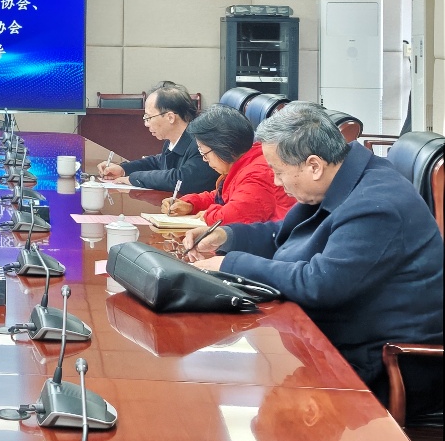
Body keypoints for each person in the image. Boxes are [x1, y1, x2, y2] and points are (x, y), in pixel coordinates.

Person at [183, 102, 444, 409]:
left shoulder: (376, 204)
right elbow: (284, 235)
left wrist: (230, 264)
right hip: (332, 342)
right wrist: (227, 237)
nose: (276, 182)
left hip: (382, 366)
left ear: (314, 166)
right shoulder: (339, 179)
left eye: (279, 172)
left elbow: (320, 284)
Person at [160, 105, 294, 225]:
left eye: (204, 152)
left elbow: (233, 217)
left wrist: (208, 214)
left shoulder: (258, 173)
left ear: (224, 147)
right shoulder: (246, 161)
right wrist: (190, 204)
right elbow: (223, 196)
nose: (204, 159)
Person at [97, 81, 217, 195]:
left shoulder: (200, 143)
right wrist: (123, 169)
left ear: (170, 117)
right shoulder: (172, 141)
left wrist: (133, 178)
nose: (146, 124)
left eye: (149, 117)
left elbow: (180, 180)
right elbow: (158, 162)